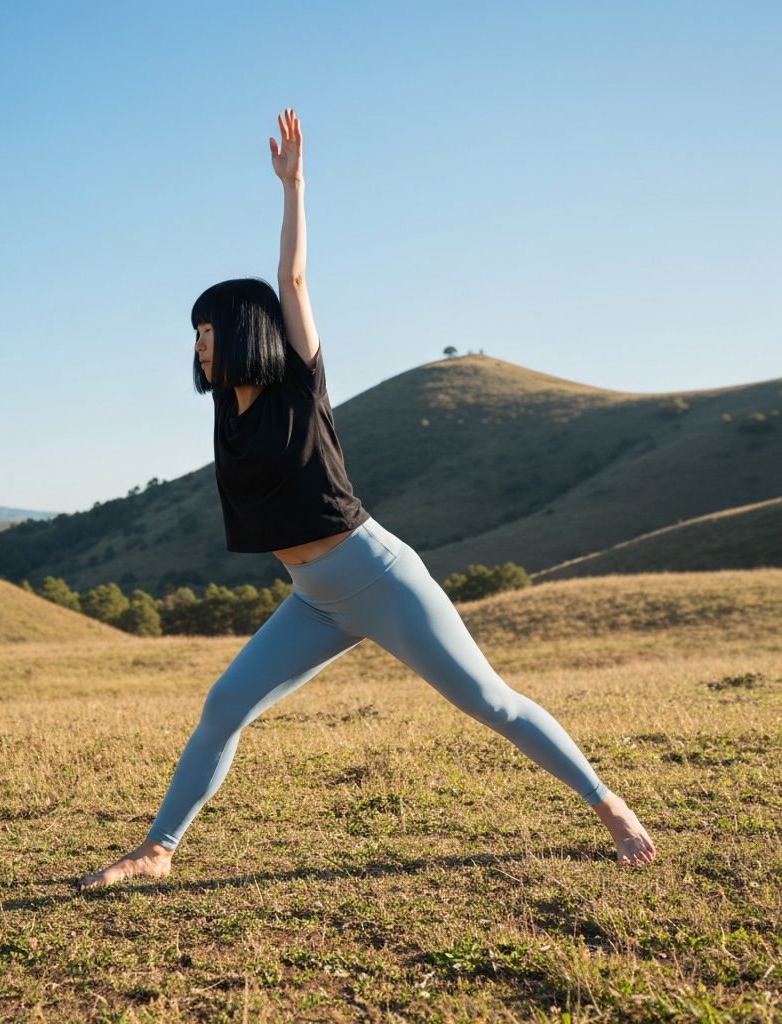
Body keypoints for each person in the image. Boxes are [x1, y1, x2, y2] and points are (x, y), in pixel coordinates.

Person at [78, 108, 656, 890]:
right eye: (193, 335)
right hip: (313, 597)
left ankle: (607, 803)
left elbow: (292, 280)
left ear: (244, 329)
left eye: (206, 330)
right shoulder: (226, 409)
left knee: (491, 702)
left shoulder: (298, 385)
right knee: (225, 704)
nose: (197, 346)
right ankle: (158, 849)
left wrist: (293, 188)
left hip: (376, 575)